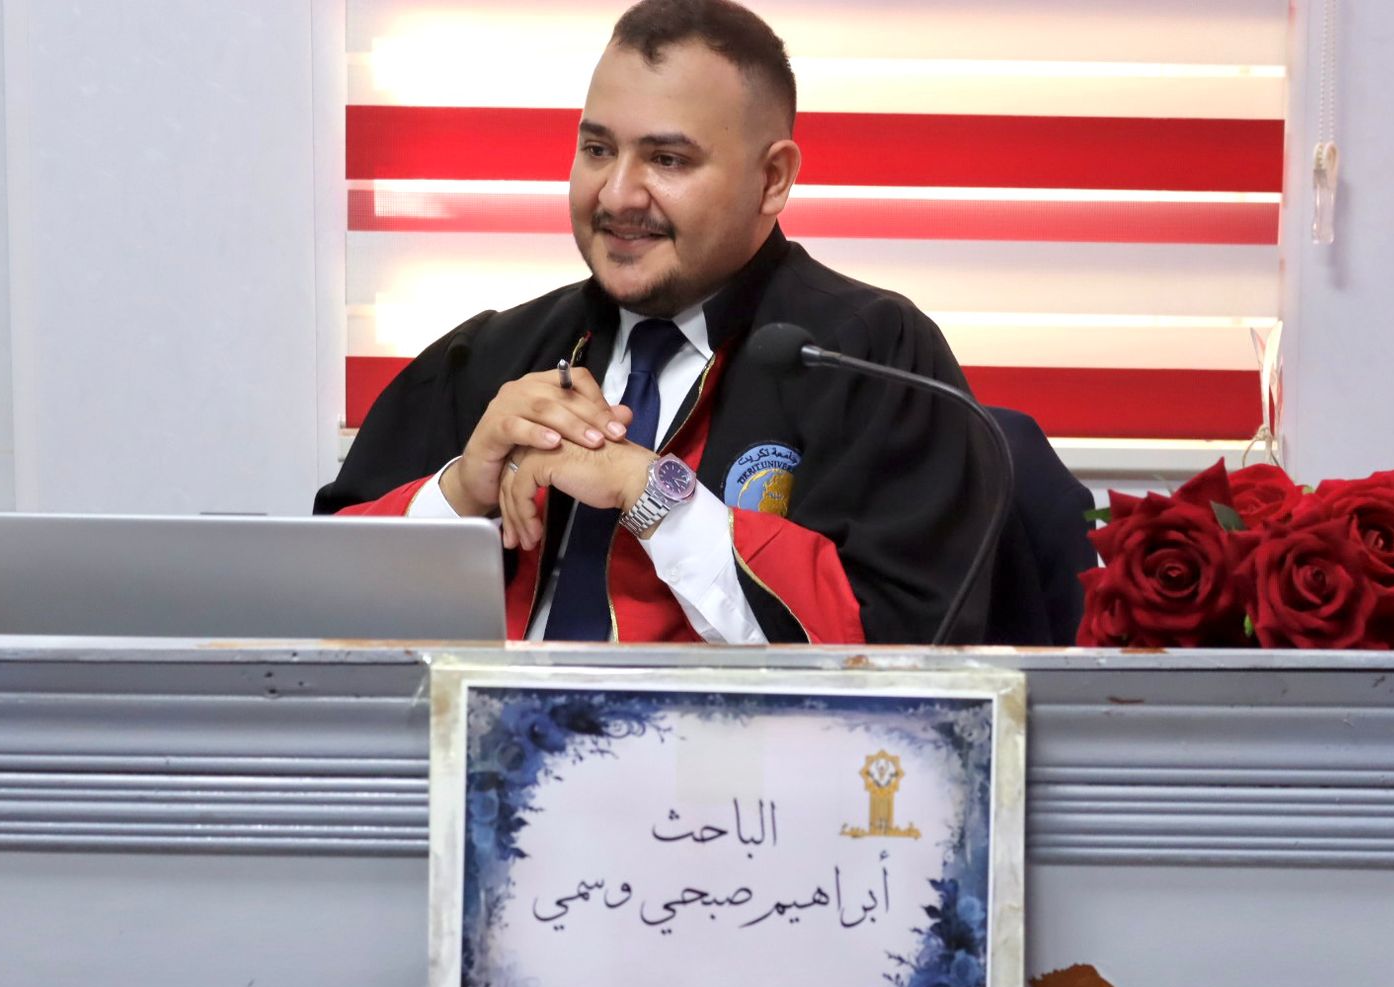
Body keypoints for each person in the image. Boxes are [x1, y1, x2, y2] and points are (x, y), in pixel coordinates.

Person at [317, 0, 1077, 644]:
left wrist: (651, 494)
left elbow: (901, 650)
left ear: (772, 179)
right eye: (597, 148)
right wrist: (461, 491)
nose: (617, 194)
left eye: (668, 160)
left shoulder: (867, 356)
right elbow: (314, 609)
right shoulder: (490, 356)